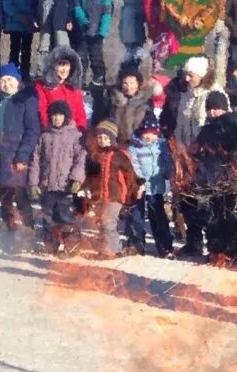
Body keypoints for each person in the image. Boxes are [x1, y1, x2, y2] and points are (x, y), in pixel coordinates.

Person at [189, 91, 237, 268]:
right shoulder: (206, 130)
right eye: (210, 109)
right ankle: (216, 249)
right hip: (208, 178)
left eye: (217, 109)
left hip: (227, 178)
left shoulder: (233, 125)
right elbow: (198, 151)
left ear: (224, 108)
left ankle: (234, 250)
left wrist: (234, 164)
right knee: (210, 216)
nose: (213, 113)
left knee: (225, 215)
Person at [27, 100, 85, 256]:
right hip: (47, 185)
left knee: (65, 217)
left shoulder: (75, 136)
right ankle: (51, 245)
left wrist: (76, 179)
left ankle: (70, 245)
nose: (56, 118)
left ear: (66, 116)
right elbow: (35, 160)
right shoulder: (45, 136)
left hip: (65, 186)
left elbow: (81, 159)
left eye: (60, 115)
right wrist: (33, 183)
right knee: (47, 217)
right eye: (53, 115)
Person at [85, 120, 139, 259]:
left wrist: (133, 192)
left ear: (112, 139)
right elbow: (92, 176)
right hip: (100, 195)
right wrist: (88, 188)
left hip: (115, 195)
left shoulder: (119, 155)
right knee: (102, 222)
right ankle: (108, 248)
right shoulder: (95, 156)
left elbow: (130, 175)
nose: (102, 141)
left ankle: (112, 250)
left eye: (106, 138)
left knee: (108, 222)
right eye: (100, 138)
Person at [0, 64, 38, 234]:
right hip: (3, 152)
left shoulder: (26, 100)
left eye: (10, 80)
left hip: (19, 152)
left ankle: (28, 228)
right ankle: (9, 225)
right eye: (3, 80)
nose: (6, 84)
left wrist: (23, 155)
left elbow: (32, 130)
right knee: (4, 192)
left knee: (20, 194)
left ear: (18, 82)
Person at [126, 113, 174, 258]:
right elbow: (133, 164)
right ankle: (136, 243)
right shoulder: (134, 146)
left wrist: (169, 173)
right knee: (136, 215)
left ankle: (165, 245)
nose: (149, 136)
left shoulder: (161, 145)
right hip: (138, 187)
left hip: (156, 186)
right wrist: (139, 180)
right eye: (146, 133)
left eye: (153, 133)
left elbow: (166, 161)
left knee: (158, 215)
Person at [73, 0, 113, 86]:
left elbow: (107, 12)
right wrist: (83, 21)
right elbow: (77, 7)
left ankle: (99, 80)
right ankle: (80, 82)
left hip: (97, 32)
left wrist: (103, 30)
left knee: (96, 57)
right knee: (81, 57)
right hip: (83, 30)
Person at [3, 0, 39, 79]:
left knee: (26, 50)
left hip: (28, 24)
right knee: (14, 49)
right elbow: (7, 4)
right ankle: (12, 73)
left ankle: (25, 73)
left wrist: (33, 18)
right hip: (15, 23)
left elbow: (35, 4)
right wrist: (17, 16)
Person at [35, 46, 87, 131]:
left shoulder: (74, 88)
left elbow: (80, 113)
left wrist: (81, 131)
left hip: (73, 134)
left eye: (67, 65)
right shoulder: (43, 86)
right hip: (52, 132)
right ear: (53, 66)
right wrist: (50, 128)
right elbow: (42, 111)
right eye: (60, 64)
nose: (64, 69)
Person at [143, 0, 180, 71]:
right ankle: (162, 72)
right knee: (162, 47)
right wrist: (151, 21)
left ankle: (171, 70)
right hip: (162, 21)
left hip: (173, 23)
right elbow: (148, 3)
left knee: (172, 47)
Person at [108, 67, 154, 146]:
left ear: (138, 84)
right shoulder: (113, 100)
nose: (129, 87)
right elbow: (107, 120)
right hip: (117, 142)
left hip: (138, 143)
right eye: (125, 83)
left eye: (132, 83)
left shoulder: (145, 101)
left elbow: (150, 121)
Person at [118, 0, 146, 69]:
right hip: (130, 14)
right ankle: (130, 62)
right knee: (131, 41)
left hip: (138, 15)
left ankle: (134, 61)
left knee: (138, 39)